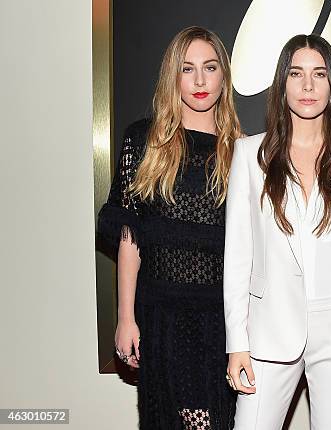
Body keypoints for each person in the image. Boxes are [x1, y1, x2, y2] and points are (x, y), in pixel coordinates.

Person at [223, 34, 331, 430]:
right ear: (283, 85)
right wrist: (237, 343)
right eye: (297, 74)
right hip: (268, 330)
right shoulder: (249, 155)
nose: (308, 86)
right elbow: (237, 255)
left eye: (319, 74)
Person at [97, 26, 241, 429]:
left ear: (223, 77)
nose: (199, 81)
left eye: (209, 68)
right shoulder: (143, 140)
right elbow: (130, 235)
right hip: (162, 315)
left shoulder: (242, 152)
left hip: (219, 320)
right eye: (187, 68)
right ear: (172, 77)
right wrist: (126, 316)